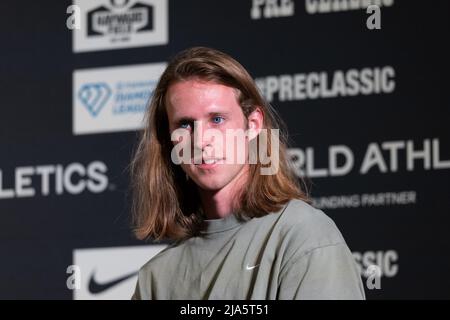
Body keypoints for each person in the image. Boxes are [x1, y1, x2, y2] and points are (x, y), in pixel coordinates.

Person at [129, 47, 365, 300]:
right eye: (185, 124)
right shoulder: (157, 277)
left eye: (217, 119)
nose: (200, 141)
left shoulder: (303, 236)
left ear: (252, 125)